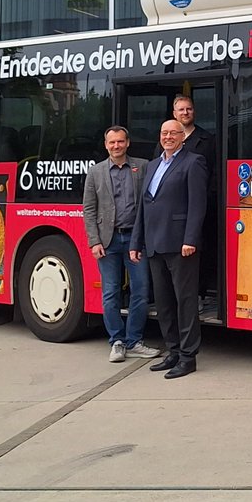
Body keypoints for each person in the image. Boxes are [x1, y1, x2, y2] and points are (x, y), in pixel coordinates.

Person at [130, 120, 207, 378]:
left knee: (184, 302)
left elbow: (198, 205)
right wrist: (136, 242)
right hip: (154, 244)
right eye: (164, 133)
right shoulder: (152, 165)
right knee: (163, 304)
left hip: (180, 244)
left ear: (182, 136)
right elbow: (144, 206)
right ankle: (172, 351)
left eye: (173, 133)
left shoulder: (193, 162)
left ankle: (188, 357)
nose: (168, 137)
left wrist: (191, 239)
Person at [82, 127, 160, 363]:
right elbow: (89, 209)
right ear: (106, 145)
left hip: (136, 240)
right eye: (112, 142)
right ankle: (116, 341)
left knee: (141, 291)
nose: (116, 146)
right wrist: (94, 241)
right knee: (110, 292)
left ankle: (134, 341)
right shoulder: (95, 172)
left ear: (128, 143)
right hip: (108, 241)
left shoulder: (143, 166)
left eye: (120, 141)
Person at [171, 93, 219, 314]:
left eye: (188, 109)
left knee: (200, 253)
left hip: (200, 208)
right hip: (172, 209)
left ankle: (199, 295)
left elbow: (214, 175)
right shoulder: (168, 139)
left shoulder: (208, 140)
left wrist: (206, 201)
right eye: (181, 109)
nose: (185, 113)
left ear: (194, 111)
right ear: (174, 113)